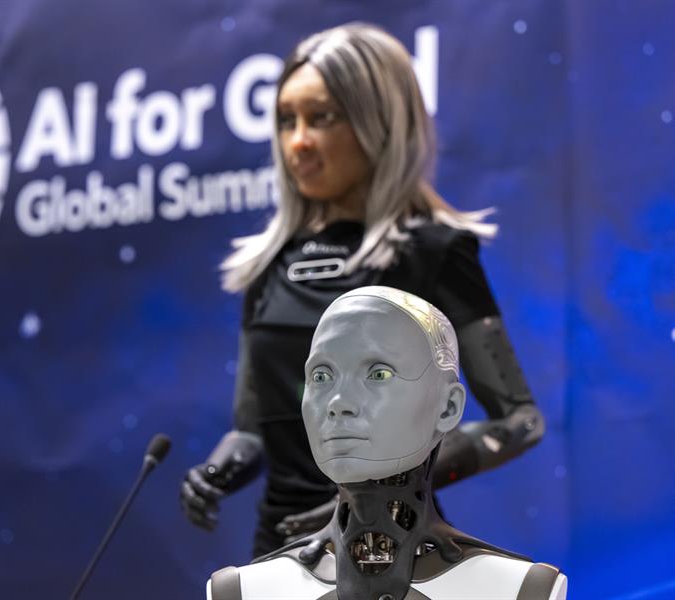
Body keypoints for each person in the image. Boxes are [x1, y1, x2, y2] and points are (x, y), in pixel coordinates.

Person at [180, 22, 545, 558]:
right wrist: (217, 472)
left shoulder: (432, 253)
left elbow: (520, 420)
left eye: (322, 117)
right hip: (281, 553)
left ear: (379, 122)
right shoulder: (269, 266)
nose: (298, 141)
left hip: (392, 546)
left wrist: (380, 485)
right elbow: (255, 428)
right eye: (286, 120)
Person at [206, 287, 567, 600]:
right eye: (321, 376)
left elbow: (523, 422)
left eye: (378, 374)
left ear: (448, 406)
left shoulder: (520, 590)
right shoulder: (243, 590)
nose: (338, 403)